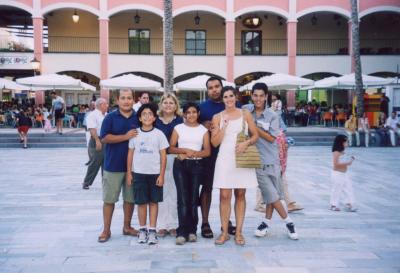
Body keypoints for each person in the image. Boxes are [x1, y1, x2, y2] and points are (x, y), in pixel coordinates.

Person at [243, 83, 298, 241]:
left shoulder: (273, 115)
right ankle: (289, 222)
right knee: (271, 194)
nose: (258, 99)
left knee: (271, 195)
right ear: (252, 96)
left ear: (266, 96)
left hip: (273, 159)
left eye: (262, 95)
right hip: (256, 160)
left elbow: (271, 137)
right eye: (255, 95)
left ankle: (265, 224)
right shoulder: (247, 111)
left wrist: (253, 126)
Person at [211, 86, 259, 246]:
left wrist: (246, 142)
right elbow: (214, 142)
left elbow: (255, 135)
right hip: (225, 158)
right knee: (224, 196)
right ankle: (224, 232)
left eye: (231, 96)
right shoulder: (217, 117)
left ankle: (238, 232)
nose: (229, 99)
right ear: (222, 99)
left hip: (242, 157)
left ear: (235, 97)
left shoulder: (245, 114)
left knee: (240, 194)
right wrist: (224, 127)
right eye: (225, 97)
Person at [97, 89, 139, 243]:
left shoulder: (139, 117)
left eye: (129, 98)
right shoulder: (110, 117)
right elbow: (104, 138)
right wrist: (125, 137)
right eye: (123, 98)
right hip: (113, 166)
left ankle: (127, 227)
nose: (126, 101)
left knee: (130, 199)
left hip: (133, 167)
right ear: (117, 100)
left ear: (133, 100)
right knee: (109, 199)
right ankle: (106, 230)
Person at [199, 77, 236, 239]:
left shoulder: (231, 103)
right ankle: (205, 223)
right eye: (210, 87)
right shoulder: (201, 108)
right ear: (207, 90)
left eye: (217, 86)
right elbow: (190, 123)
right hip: (209, 155)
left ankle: (226, 222)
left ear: (222, 87)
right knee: (207, 188)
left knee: (227, 190)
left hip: (229, 155)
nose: (214, 90)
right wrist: (202, 126)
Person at [126, 103, 169, 245]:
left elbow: (163, 156)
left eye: (150, 113)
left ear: (154, 117)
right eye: (144, 114)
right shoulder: (135, 134)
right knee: (141, 203)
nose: (147, 116)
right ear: (139, 118)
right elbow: (130, 155)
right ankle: (142, 230)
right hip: (138, 173)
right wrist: (129, 173)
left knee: (154, 202)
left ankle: (152, 231)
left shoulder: (159, 134)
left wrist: (161, 175)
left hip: (155, 174)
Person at [169, 102, 211, 245]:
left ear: (198, 114)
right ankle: (182, 232)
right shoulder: (178, 128)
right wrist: (184, 151)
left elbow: (207, 151)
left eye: (194, 112)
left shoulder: (203, 130)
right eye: (188, 112)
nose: (191, 115)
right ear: (184, 114)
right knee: (182, 199)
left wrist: (193, 154)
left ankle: (192, 231)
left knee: (193, 199)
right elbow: (171, 148)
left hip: (197, 166)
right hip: (180, 165)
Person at [155, 94, 183, 238]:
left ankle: (173, 224)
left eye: (171, 103)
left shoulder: (180, 121)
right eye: (165, 102)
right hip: (159, 159)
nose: (168, 105)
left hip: (175, 158)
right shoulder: (155, 121)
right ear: (161, 105)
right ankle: (160, 225)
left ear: (176, 105)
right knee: (160, 191)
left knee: (174, 192)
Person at [82, 98, 108, 190]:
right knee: (95, 162)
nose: (107, 106)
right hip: (96, 139)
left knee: (106, 163)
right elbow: (92, 129)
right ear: (100, 105)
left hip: (106, 140)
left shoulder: (106, 115)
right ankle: (86, 182)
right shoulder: (92, 115)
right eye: (105, 104)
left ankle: (106, 182)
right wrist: (97, 141)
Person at [330, 135, 357, 212]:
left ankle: (349, 204)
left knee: (348, 189)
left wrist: (350, 160)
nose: (347, 143)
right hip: (337, 174)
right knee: (336, 189)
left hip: (344, 174)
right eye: (346, 141)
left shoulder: (343, 152)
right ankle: (333, 205)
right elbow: (335, 164)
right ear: (341, 142)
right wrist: (348, 163)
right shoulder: (336, 152)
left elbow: (343, 162)